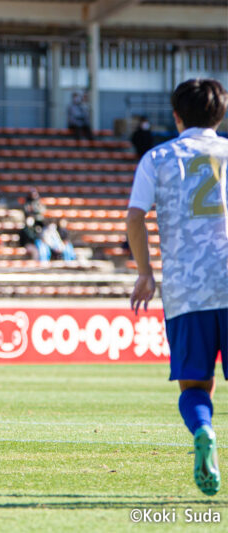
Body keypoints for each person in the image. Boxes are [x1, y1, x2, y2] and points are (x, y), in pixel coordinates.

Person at [128, 78, 228, 497]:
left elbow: (135, 217)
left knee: (194, 384)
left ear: (176, 115)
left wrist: (146, 273)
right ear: (220, 115)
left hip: (187, 290)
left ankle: (203, 429)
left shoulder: (157, 157)